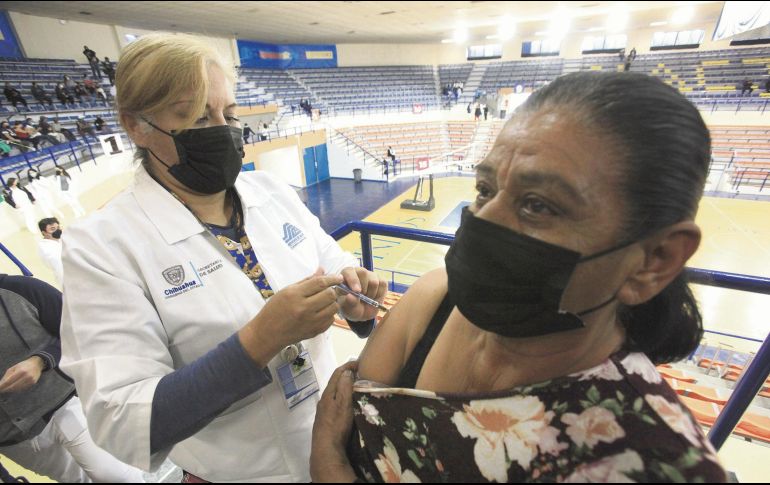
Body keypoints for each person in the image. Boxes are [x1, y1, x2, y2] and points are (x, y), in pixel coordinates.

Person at [310, 72, 728, 483]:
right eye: (485, 190)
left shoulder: (657, 463)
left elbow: (337, 448)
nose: (479, 221)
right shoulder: (433, 298)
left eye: (538, 205)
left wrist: (328, 468)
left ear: (652, 261)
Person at [59, 33, 387, 483]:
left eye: (228, 114)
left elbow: (335, 263)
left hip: (339, 449)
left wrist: (356, 298)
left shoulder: (270, 193)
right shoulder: (102, 246)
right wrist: (259, 340)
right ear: (136, 125)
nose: (221, 130)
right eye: (195, 118)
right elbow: (121, 420)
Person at [0, 273, 145, 483]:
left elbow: (82, 328)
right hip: (13, 439)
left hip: (65, 404)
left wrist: (41, 360)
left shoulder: (20, 290)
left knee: (115, 476)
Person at [37, 218, 65, 285]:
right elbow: (58, 265)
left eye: (58, 227)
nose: (57, 230)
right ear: (44, 233)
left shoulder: (61, 239)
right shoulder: (45, 248)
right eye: (52, 229)